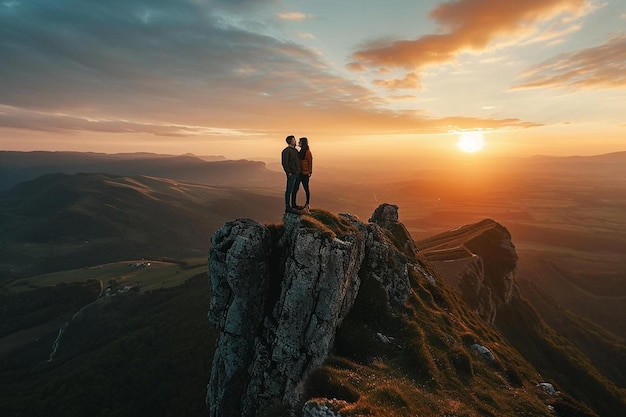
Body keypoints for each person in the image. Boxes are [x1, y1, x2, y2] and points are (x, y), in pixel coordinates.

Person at [292, 137, 312, 212]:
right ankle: (293, 204)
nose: (298, 143)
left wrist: (310, 172)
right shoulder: (301, 151)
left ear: (302, 143)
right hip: (299, 173)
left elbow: (310, 162)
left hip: (305, 173)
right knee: (295, 189)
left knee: (306, 189)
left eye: (300, 142)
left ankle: (307, 204)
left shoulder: (307, 152)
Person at [281, 135, 300, 212]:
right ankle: (288, 207)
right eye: (293, 140)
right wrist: (288, 172)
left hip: (297, 173)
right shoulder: (286, 151)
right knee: (289, 190)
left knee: (295, 190)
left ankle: (294, 204)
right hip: (292, 173)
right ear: (290, 141)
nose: (295, 141)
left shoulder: (295, 151)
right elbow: (284, 163)